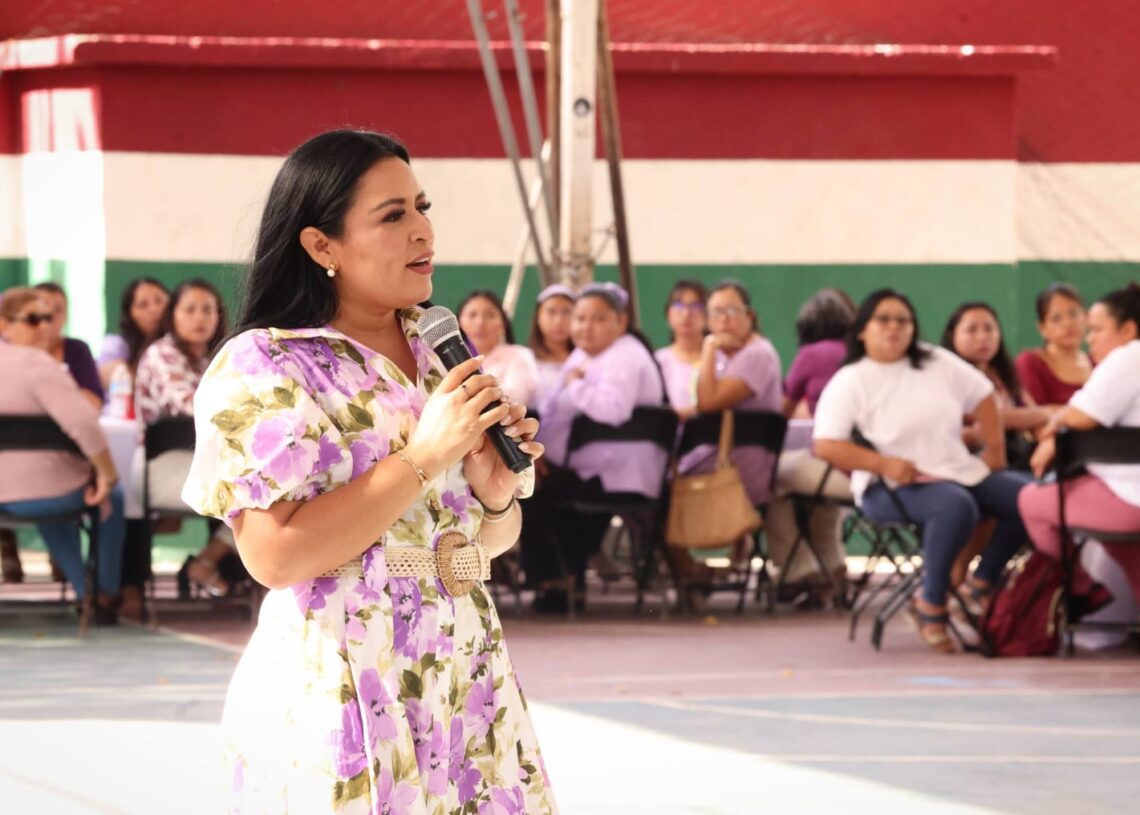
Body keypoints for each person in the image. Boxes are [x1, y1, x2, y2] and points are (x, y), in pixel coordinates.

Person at [180, 129, 556, 812]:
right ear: (321, 245)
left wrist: (495, 497)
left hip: (465, 676)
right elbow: (275, 554)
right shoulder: (266, 363)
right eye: (392, 215)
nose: (422, 230)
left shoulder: (440, 352)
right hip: (348, 678)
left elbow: (483, 543)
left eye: (422, 207)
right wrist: (424, 456)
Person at [813, 289, 1031, 653]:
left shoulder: (936, 362)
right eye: (884, 319)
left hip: (957, 470)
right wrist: (882, 464)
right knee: (954, 505)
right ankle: (931, 603)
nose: (895, 327)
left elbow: (984, 395)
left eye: (904, 320)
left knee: (1031, 499)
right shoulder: (850, 380)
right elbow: (826, 445)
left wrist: (995, 452)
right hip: (890, 486)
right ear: (863, 330)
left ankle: (980, 584)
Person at [523, 283, 666, 612]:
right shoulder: (588, 353)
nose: (586, 327)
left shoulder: (623, 356)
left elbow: (613, 410)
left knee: (531, 488)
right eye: (580, 318)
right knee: (532, 479)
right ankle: (560, 581)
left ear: (621, 321)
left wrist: (576, 384)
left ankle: (556, 581)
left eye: (598, 319)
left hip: (614, 475)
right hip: (595, 469)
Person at [0, 287, 125, 623]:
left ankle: (86, 590)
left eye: (48, 317)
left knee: (55, 490)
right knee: (110, 495)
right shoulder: (39, 364)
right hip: (47, 493)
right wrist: (107, 473)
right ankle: (103, 593)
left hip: (19, 491)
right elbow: (84, 423)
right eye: (32, 319)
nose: (44, 326)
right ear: (3, 324)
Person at [1019, 283, 1140, 608]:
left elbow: (1081, 415)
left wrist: (1055, 430)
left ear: (1128, 330)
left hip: (1132, 500)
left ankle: (1084, 590)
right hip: (1126, 495)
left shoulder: (1128, 356)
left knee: (1031, 499)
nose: (1090, 338)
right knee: (1126, 547)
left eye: (1097, 329)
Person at [135, 278, 237, 598]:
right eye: (190, 309)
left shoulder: (216, 358)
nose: (200, 318)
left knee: (268, 483)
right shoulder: (161, 354)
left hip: (203, 463)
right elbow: (187, 404)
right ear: (173, 316)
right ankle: (208, 562)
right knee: (252, 487)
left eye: (208, 310)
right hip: (163, 466)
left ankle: (208, 561)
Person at [765, 289, 856, 604]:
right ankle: (833, 565)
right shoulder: (859, 354)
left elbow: (781, 413)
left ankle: (799, 569)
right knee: (816, 493)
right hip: (870, 471)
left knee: (771, 477)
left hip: (839, 467)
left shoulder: (811, 356)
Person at [688, 280, 783, 504]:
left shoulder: (757, 354)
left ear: (750, 316)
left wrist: (709, 346)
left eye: (732, 311)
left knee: (656, 483)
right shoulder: (726, 355)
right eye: (716, 312)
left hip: (735, 469)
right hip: (719, 461)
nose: (723, 319)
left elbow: (708, 402)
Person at [1016, 283, 1092, 407]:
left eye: (1073, 314)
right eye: (1056, 318)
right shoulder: (1030, 363)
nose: (1068, 323)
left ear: (1085, 317)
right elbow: (1034, 413)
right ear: (1042, 328)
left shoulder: (1099, 364)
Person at [458, 289, 538, 405]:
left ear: (503, 324)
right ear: (458, 323)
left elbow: (515, 400)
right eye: (472, 315)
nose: (480, 322)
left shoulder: (519, 356)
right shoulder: (447, 359)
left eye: (489, 315)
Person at [32, 281, 104, 410]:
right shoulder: (16, 351)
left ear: (65, 316)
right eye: (43, 308)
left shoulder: (78, 350)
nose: (50, 315)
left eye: (58, 310)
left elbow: (94, 403)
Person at [97, 277, 170, 389]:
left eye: (159, 301)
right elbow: (113, 381)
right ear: (130, 314)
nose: (154, 309)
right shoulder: (116, 344)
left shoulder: (181, 345)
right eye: (143, 305)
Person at [654, 279, 708, 421]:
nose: (686, 314)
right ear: (668, 314)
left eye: (695, 306)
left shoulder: (719, 358)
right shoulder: (657, 361)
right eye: (678, 305)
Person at [527, 283, 576, 405]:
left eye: (566, 312)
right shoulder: (525, 359)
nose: (559, 320)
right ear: (538, 316)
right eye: (551, 312)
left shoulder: (585, 359)